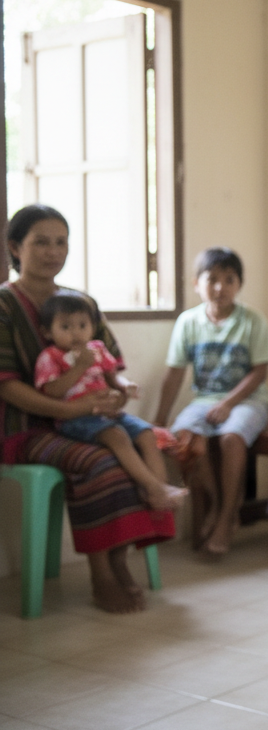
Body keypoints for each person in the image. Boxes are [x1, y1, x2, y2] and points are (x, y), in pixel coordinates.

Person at [0, 204, 174, 613]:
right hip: (25, 429)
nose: (52, 251)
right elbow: (6, 386)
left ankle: (118, 561)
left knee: (139, 444)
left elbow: (110, 366)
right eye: (40, 242)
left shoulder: (81, 303)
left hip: (91, 419)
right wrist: (67, 411)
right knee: (102, 462)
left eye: (61, 242)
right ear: (14, 247)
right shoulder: (4, 305)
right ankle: (102, 574)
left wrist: (114, 398)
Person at [155, 247, 268, 556]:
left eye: (229, 279)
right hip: (205, 400)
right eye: (212, 279)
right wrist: (159, 418)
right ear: (197, 283)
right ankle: (221, 504)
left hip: (250, 400)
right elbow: (173, 375)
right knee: (184, 439)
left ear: (239, 284)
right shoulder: (188, 322)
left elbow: (259, 372)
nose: (220, 287)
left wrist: (228, 404)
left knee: (230, 438)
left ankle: (224, 519)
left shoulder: (252, 320)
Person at [35, 290, 186, 511]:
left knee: (147, 434)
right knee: (117, 436)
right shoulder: (51, 356)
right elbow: (51, 391)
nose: (76, 333)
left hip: (107, 414)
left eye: (82, 325)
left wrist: (125, 385)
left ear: (92, 328)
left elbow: (112, 377)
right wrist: (79, 368)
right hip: (76, 419)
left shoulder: (97, 349)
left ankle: (158, 489)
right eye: (66, 327)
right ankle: (155, 488)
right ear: (47, 332)